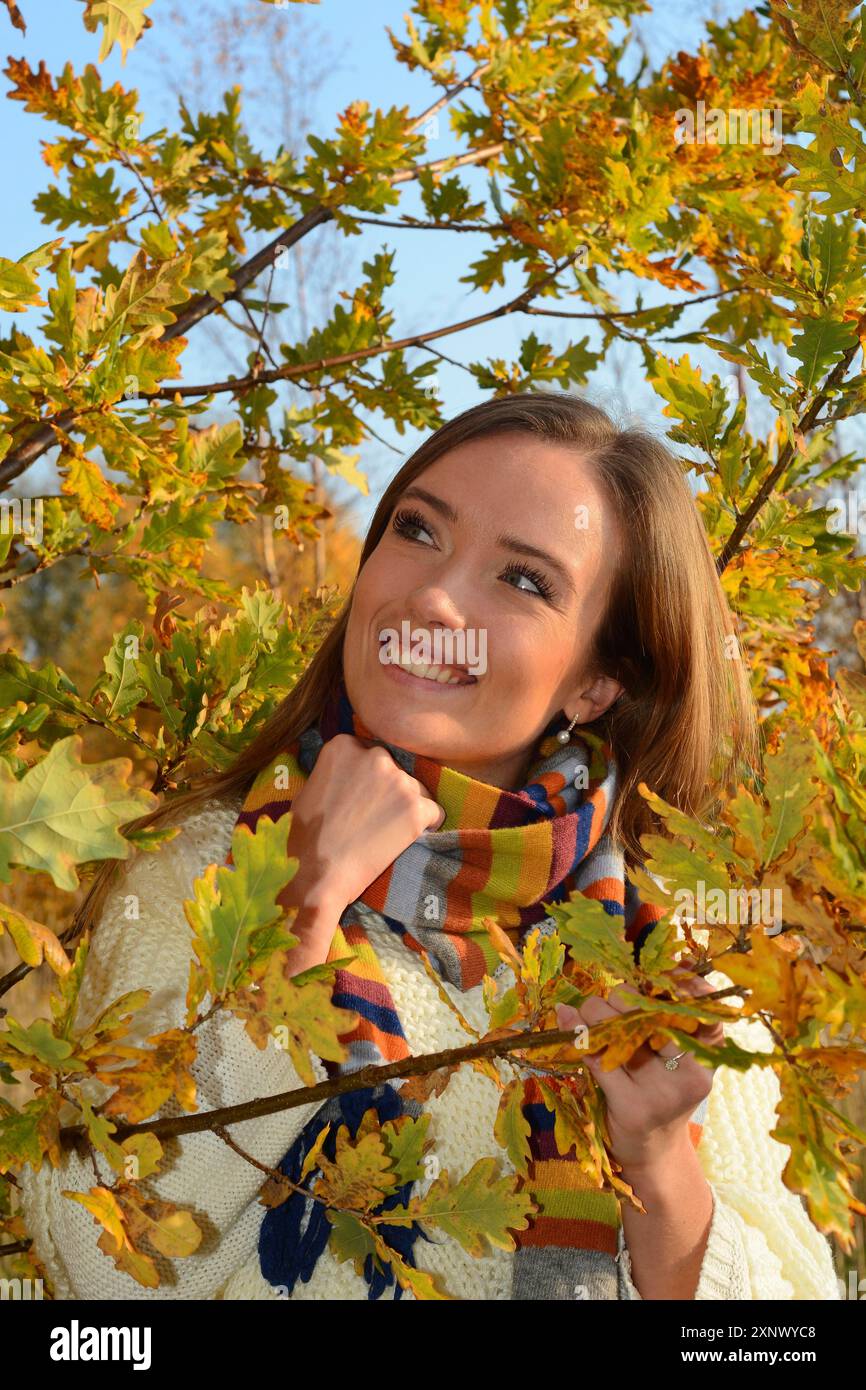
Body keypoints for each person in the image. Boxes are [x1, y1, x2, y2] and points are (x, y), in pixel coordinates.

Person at [18, 392, 842, 1300]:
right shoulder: (197, 872)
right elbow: (96, 1272)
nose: (435, 596)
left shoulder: (667, 962)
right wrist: (295, 908)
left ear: (599, 683)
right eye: (418, 530)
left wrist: (658, 1168)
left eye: (524, 580)